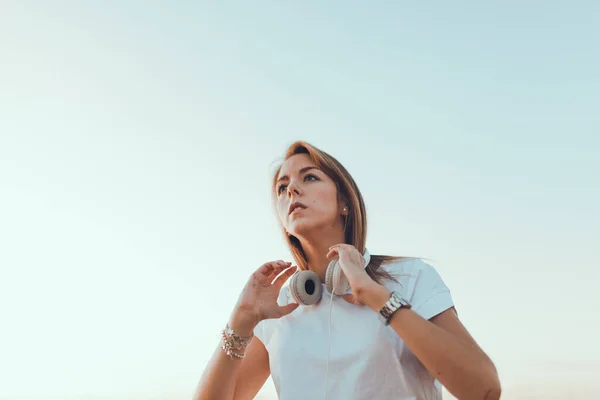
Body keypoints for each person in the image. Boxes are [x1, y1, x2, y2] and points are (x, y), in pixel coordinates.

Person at [195, 141, 501, 400]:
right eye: (282, 187)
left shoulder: (409, 276)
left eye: (309, 178)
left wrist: (377, 297)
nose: (292, 191)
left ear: (344, 202)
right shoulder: (279, 306)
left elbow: (484, 389)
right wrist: (241, 320)